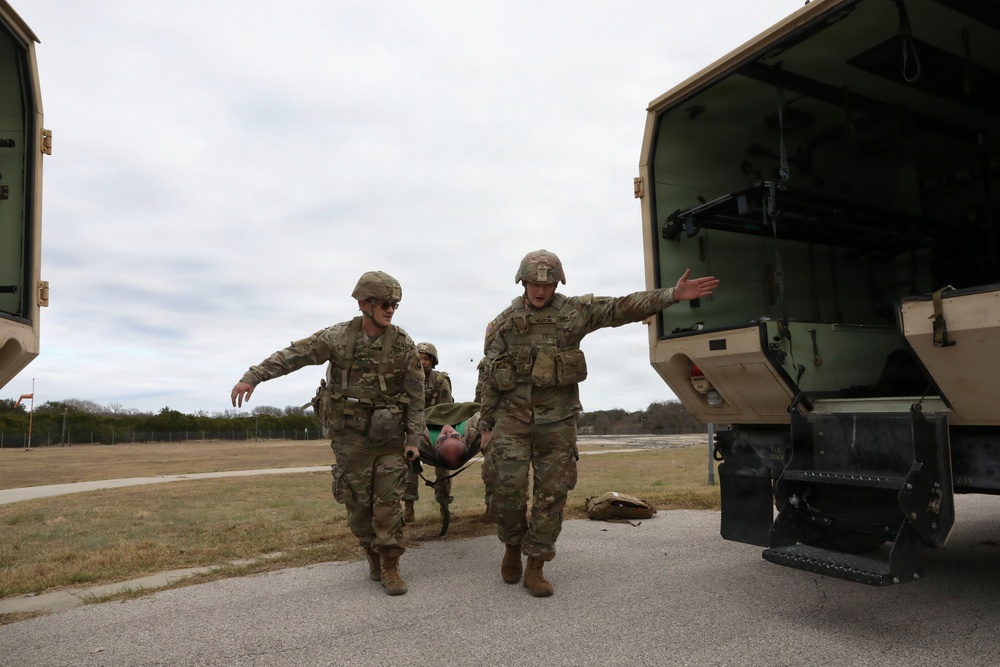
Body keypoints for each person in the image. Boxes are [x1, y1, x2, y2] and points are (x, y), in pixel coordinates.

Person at [479, 249, 719, 597]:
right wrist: (486, 425)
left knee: (552, 496)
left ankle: (536, 565)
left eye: (547, 284)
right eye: (534, 283)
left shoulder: (573, 312)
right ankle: (512, 547)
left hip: (558, 422)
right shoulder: (502, 323)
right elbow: (487, 376)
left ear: (558, 283)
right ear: (522, 281)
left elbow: (621, 307)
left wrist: (672, 295)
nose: (540, 291)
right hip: (512, 421)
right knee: (505, 494)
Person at [229, 270, 424, 596]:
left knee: (388, 506)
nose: (391, 310)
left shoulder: (404, 345)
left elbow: (416, 398)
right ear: (365, 303)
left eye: (395, 305)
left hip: (389, 438)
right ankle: (371, 555)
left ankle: (390, 565)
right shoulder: (337, 338)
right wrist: (254, 376)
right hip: (349, 438)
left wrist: (414, 440)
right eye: (385, 303)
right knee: (358, 508)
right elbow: (294, 356)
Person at [402, 342, 453, 522]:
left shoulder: (440, 382)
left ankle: (444, 505)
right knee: (410, 465)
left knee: (443, 466)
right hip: (414, 430)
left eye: (425, 359)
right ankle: (408, 507)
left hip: (436, 429)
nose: (422, 362)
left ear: (433, 361)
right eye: (419, 359)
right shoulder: (407, 380)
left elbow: (446, 410)